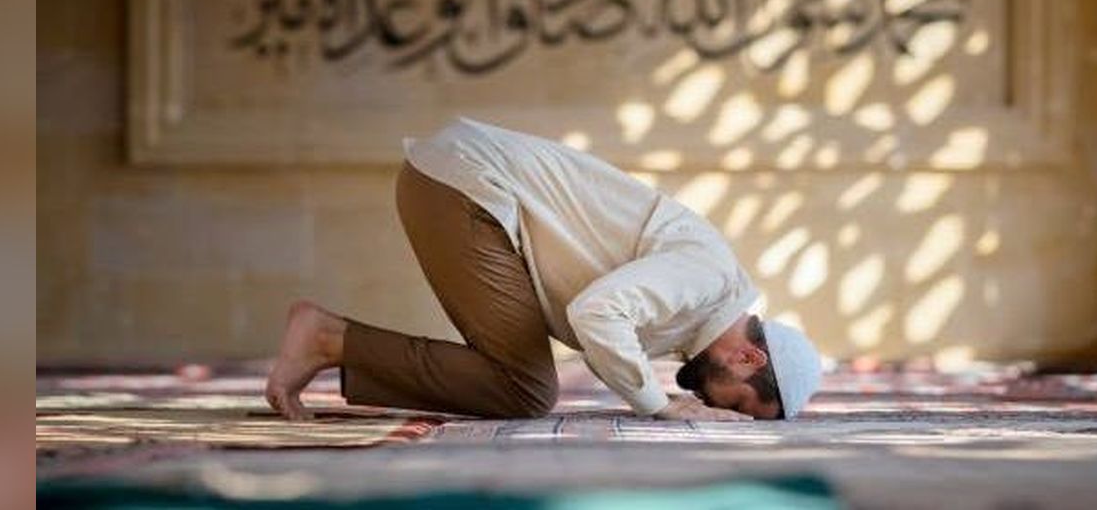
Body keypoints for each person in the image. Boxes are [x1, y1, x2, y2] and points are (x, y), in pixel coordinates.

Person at [266, 116, 821, 422]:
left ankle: (333, 340)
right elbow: (597, 312)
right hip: (467, 187)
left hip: (461, 186)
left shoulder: (694, 312)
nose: (721, 409)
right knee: (525, 390)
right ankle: (327, 339)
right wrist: (658, 406)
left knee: (523, 387)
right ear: (749, 357)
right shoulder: (709, 279)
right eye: (743, 403)